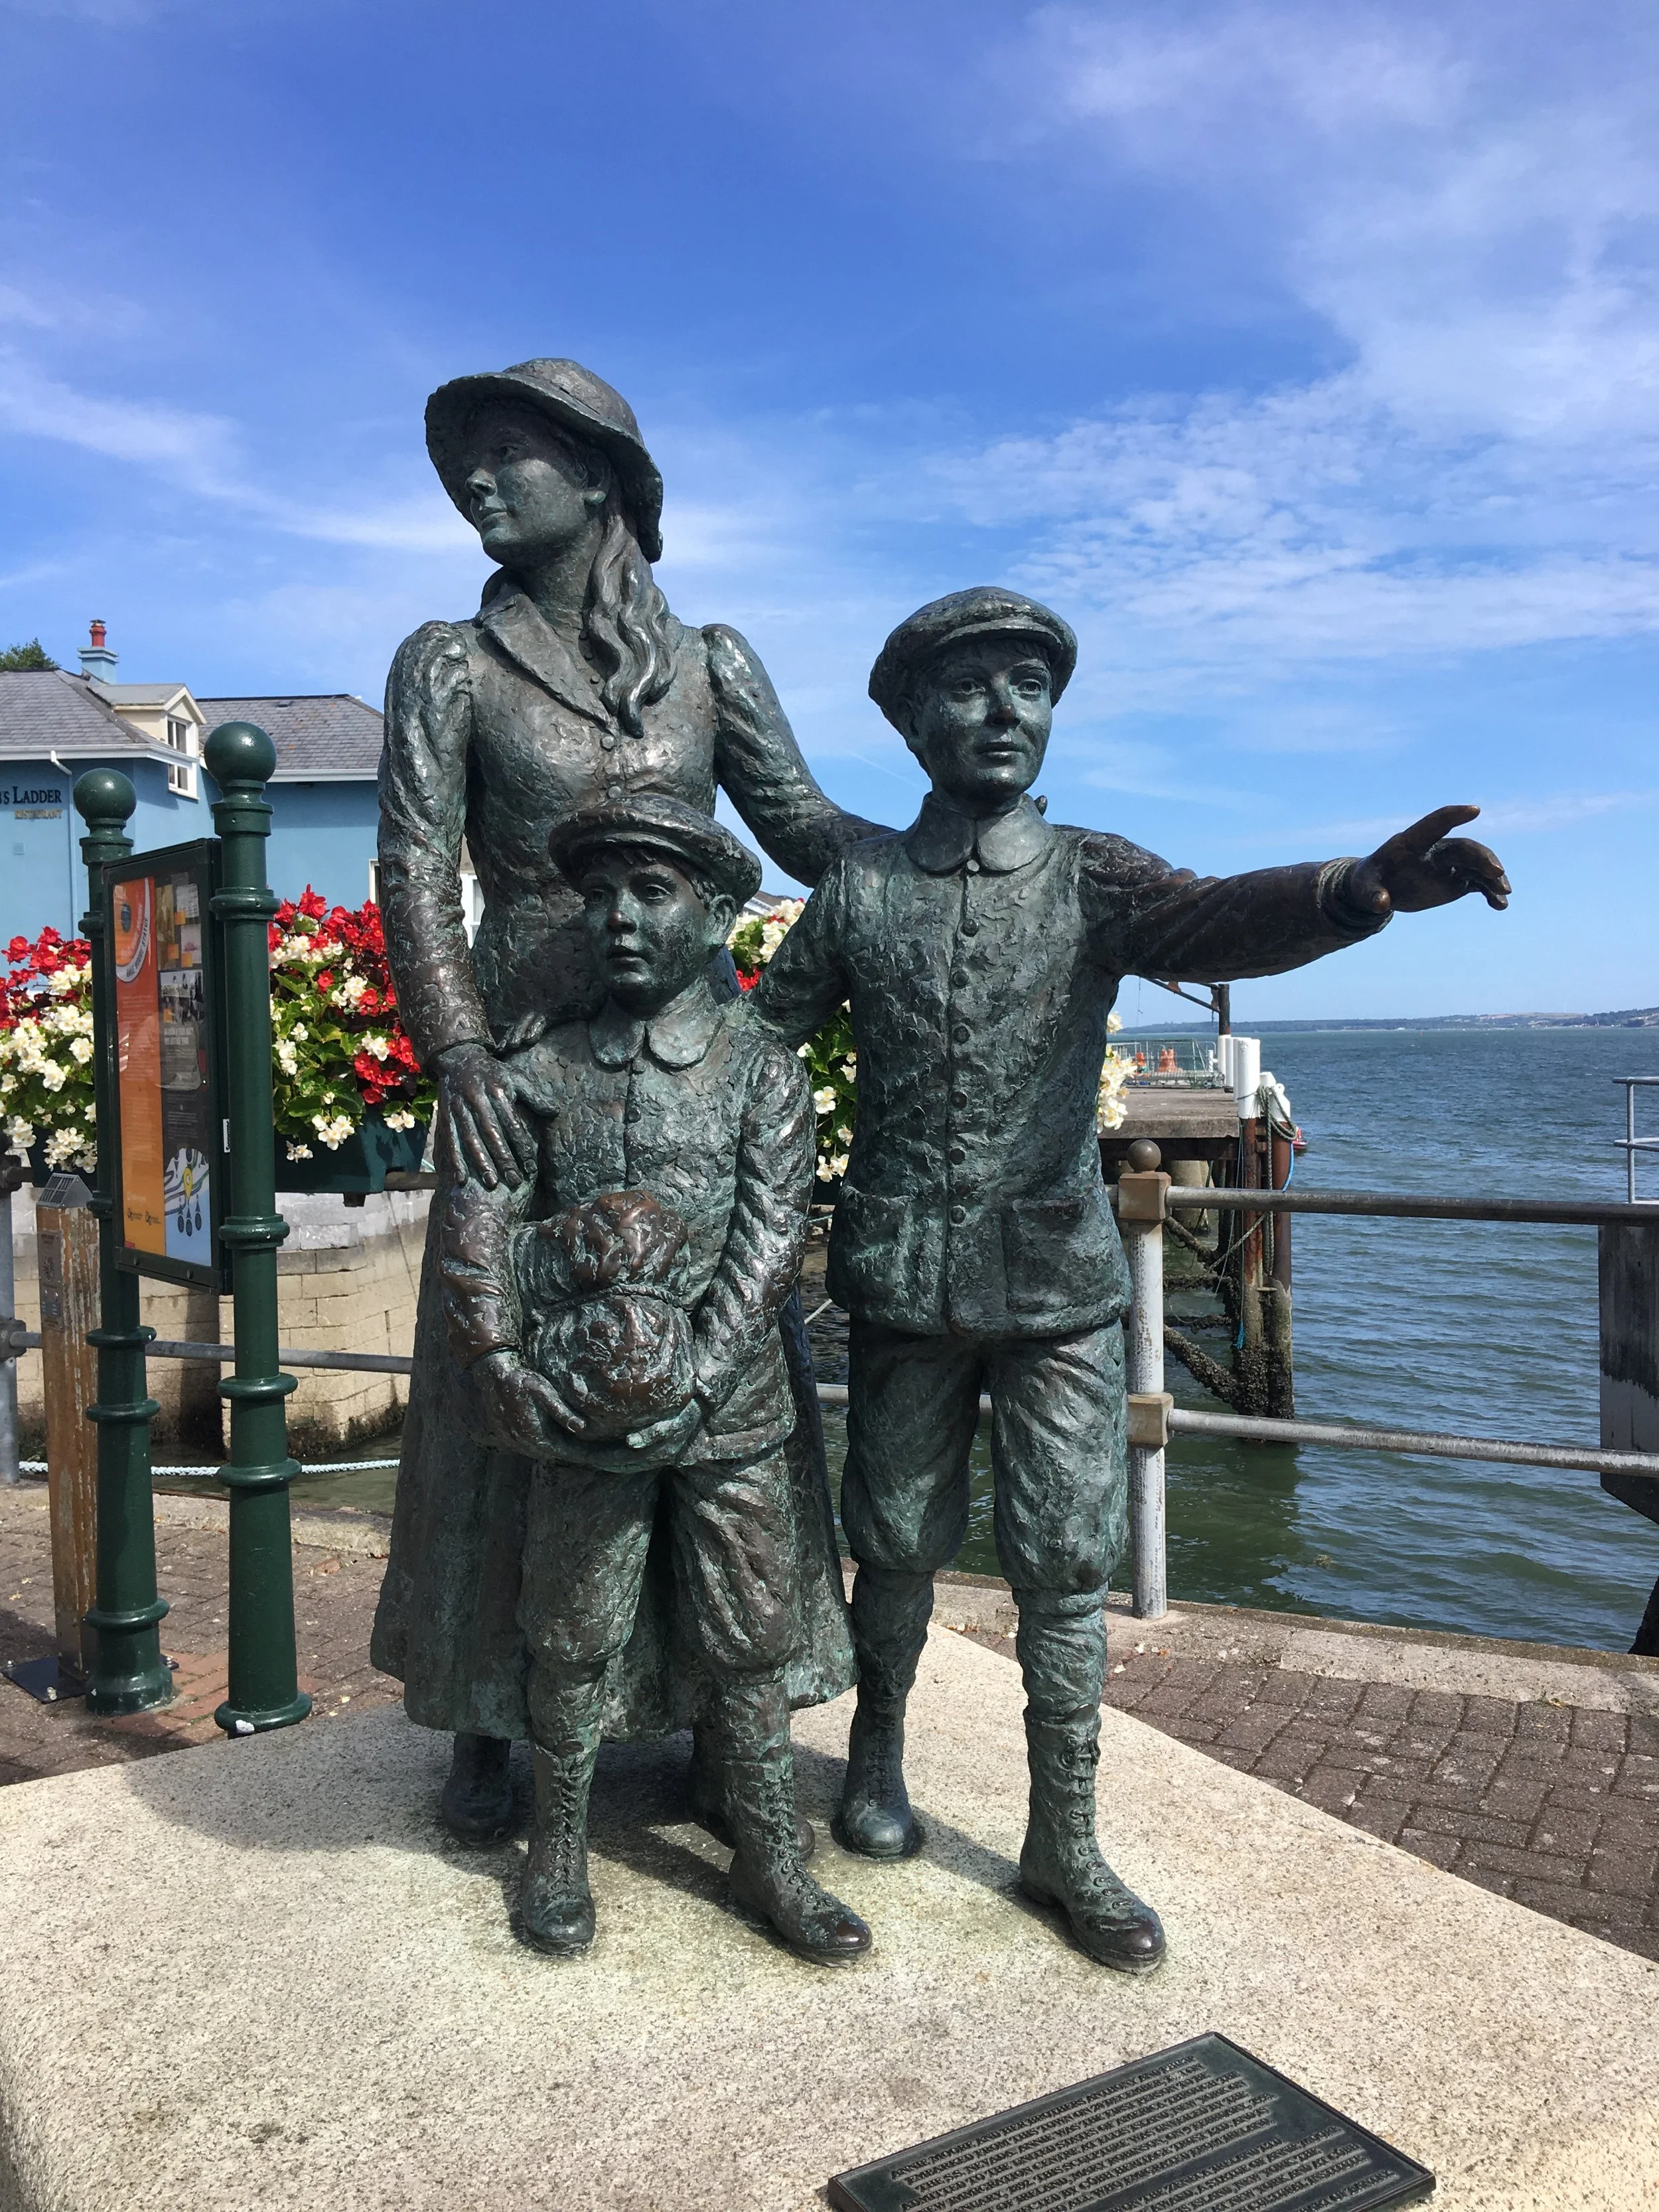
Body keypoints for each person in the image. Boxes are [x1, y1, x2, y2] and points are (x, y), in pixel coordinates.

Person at [750, 585, 1510, 1974]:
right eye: (969, 688)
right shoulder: (860, 888)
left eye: (1029, 688)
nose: (1003, 713)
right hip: (903, 1277)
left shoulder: (1088, 875)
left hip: (1055, 1285)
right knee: (894, 1538)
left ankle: (1066, 1834)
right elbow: (760, 1049)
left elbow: (1211, 919)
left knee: (1064, 1559)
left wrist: (1356, 892)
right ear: (911, 721)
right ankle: (875, 1756)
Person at [369, 360, 883, 1841]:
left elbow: (808, 834)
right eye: (464, 464)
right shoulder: (448, 665)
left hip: (687, 1068)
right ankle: (483, 1707)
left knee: (716, 1371)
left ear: (598, 475)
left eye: (508, 453)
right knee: (495, 1382)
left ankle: (724, 1713)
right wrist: (460, 1053)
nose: (477, 482)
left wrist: (953, 856)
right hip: (524, 1070)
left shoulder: (712, 663)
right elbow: (415, 867)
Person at [439, 796, 871, 1963]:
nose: (618, 918)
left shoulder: (762, 1074)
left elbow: (771, 1242)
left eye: (651, 892)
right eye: (599, 895)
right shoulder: (538, 1070)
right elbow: (480, 1229)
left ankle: (769, 1854)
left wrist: (701, 1378)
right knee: (571, 1627)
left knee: (751, 1630)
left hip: (730, 1417)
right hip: (576, 1416)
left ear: (719, 916)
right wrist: (504, 1366)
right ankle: (558, 1847)